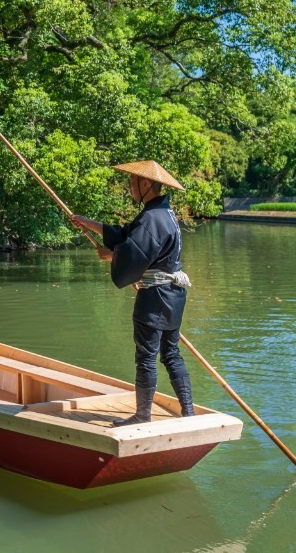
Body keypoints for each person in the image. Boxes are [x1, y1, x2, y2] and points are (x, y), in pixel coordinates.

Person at [71, 160, 194, 426]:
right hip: (173, 296)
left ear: (146, 184)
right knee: (171, 353)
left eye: (132, 182)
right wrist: (88, 223)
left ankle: (142, 416)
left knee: (147, 356)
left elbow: (135, 255)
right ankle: (189, 413)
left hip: (156, 296)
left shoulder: (152, 218)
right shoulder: (164, 214)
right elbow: (127, 235)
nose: (129, 187)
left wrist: (112, 256)